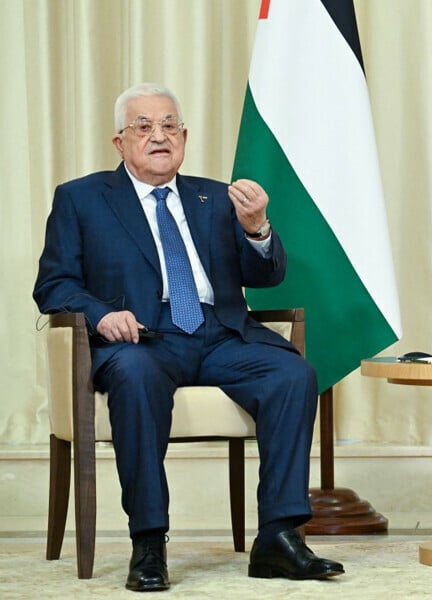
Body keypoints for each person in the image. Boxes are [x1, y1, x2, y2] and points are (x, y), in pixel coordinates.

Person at [33, 83, 344, 591]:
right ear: (120, 142)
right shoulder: (81, 198)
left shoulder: (215, 197)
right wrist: (102, 314)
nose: (159, 136)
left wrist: (257, 228)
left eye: (169, 125)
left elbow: (265, 278)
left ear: (184, 136)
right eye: (144, 126)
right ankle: (149, 543)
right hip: (144, 337)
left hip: (221, 335)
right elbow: (54, 283)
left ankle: (280, 537)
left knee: (292, 373)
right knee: (133, 376)